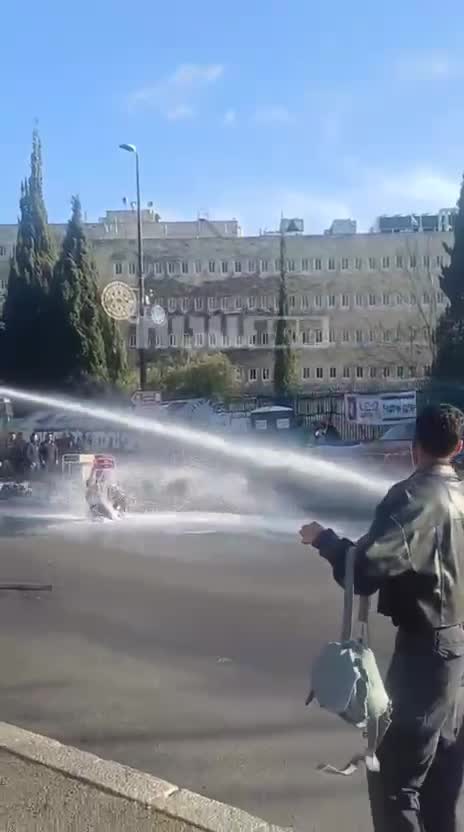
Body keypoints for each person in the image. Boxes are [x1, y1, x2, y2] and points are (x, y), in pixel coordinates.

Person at [300, 404, 464, 832]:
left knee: (392, 776)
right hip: (458, 653)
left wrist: (325, 541)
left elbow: (366, 570)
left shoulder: (411, 497)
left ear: (415, 449)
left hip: (427, 653)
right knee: (440, 780)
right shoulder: (460, 496)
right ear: (459, 447)